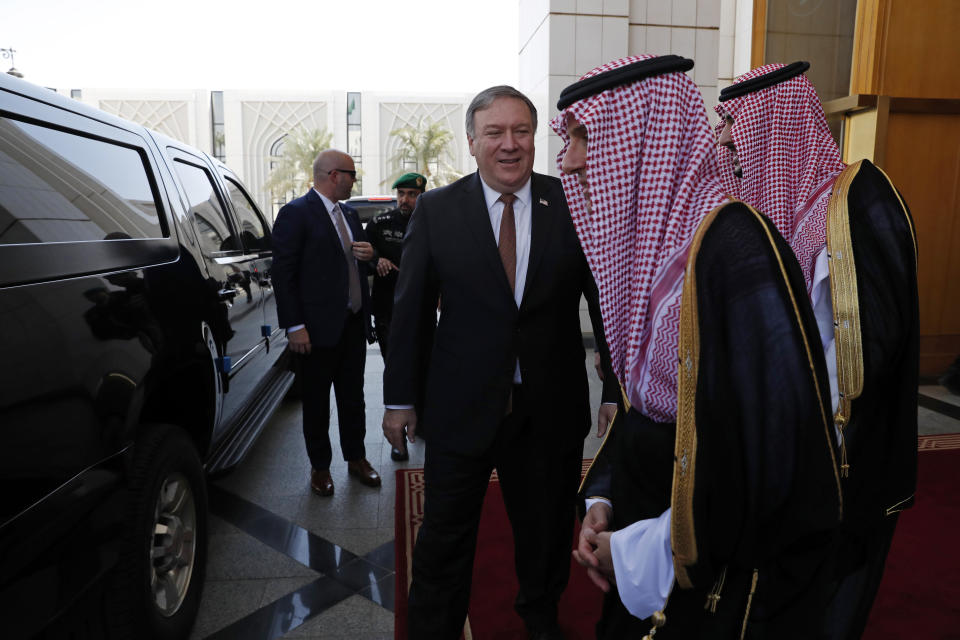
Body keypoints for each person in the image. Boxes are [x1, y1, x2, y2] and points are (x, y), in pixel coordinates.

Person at [550, 55, 843, 638]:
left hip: (707, 567)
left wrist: (637, 550)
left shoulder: (734, 251)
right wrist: (605, 496)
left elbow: (763, 460)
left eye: (584, 136)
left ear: (645, 139)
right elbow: (646, 409)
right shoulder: (661, 245)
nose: (571, 159)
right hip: (641, 520)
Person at [381, 85, 618, 639]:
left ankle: (540, 621)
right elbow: (410, 311)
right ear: (472, 142)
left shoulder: (573, 205)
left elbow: (605, 300)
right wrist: (399, 400)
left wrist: (614, 391)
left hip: (549, 410)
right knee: (444, 539)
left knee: (543, 539)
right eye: (494, 132)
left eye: (521, 131)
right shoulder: (439, 210)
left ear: (535, 138)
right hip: (460, 407)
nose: (509, 145)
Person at [714, 61, 919, 639]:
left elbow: (869, 350)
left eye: (733, 121)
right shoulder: (771, 213)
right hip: (783, 456)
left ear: (775, 121)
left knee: (830, 605)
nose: (725, 138)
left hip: (843, 459)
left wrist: (798, 436)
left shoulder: (858, 200)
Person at [272, 149, 382, 497]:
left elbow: (347, 264)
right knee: (317, 402)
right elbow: (283, 274)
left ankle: (357, 457)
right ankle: (320, 467)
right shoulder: (295, 214)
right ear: (334, 175)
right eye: (352, 174)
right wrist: (294, 326)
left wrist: (367, 256)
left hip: (351, 323)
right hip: (315, 329)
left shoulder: (349, 214)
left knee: (353, 398)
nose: (354, 180)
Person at [366, 171, 427, 462]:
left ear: (422, 195)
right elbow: (362, 260)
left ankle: (424, 424)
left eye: (412, 195)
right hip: (388, 310)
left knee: (426, 366)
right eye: (401, 194)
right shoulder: (380, 223)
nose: (405, 200)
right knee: (396, 368)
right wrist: (377, 260)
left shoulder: (431, 220)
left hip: (423, 309)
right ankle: (397, 438)